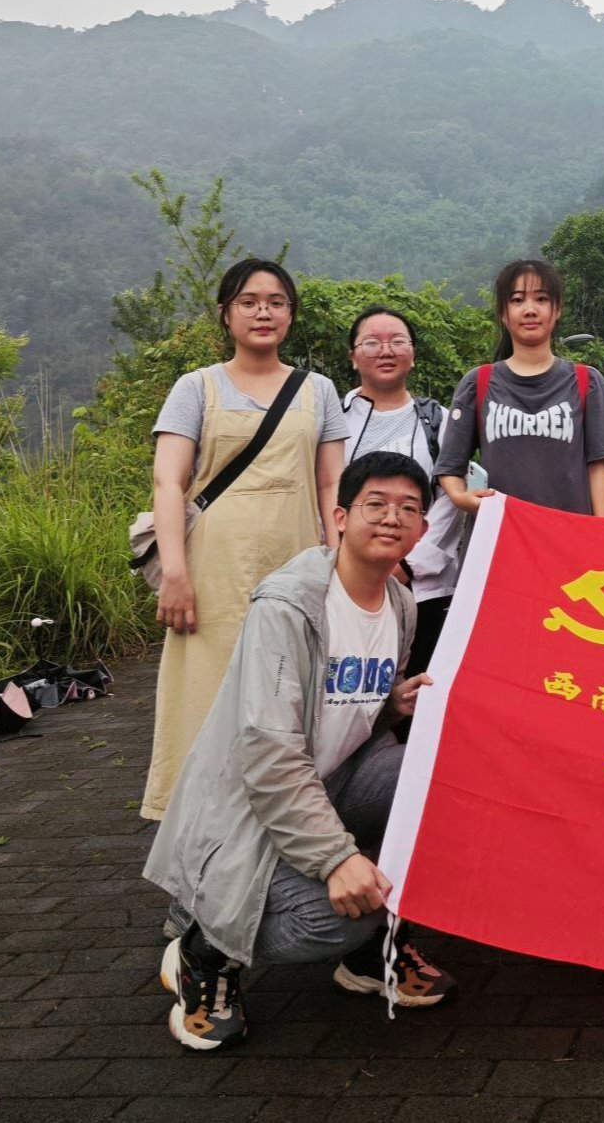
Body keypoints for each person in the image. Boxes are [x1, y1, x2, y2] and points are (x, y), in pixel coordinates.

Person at [145, 450, 453, 1052]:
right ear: (339, 517)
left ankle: (367, 961)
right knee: (349, 914)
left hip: (335, 780)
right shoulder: (289, 607)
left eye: (409, 509)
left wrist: (392, 704)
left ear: (422, 529)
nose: (392, 518)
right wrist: (337, 859)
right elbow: (270, 754)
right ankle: (205, 952)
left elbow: (340, 704)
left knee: (439, 785)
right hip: (251, 807)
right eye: (375, 504)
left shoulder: (400, 604)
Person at [143, 257, 346, 821]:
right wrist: (176, 574)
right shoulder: (196, 387)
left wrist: (339, 566)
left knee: (290, 687)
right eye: (249, 302)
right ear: (226, 314)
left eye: (276, 302)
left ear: (291, 315)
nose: (263, 313)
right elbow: (168, 483)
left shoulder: (318, 391)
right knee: (204, 692)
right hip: (213, 569)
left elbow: (332, 485)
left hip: (297, 561)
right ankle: (196, 822)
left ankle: (291, 819)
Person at [340, 305, 485, 674]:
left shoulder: (438, 420)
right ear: (353, 356)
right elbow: (324, 489)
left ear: (413, 354)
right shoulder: (333, 419)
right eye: (372, 343)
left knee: (415, 690)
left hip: (423, 590)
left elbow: (450, 499)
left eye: (397, 341)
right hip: (344, 583)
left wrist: (408, 565)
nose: (386, 351)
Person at [434, 259, 604, 518]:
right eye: (517, 300)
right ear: (503, 313)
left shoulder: (586, 381)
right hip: (498, 534)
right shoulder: (477, 383)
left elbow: (597, 468)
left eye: (541, 299)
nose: (530, 310)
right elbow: (450, 465)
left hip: (567, 536)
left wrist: (599, 531)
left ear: (557, 309)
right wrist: (461, 498)